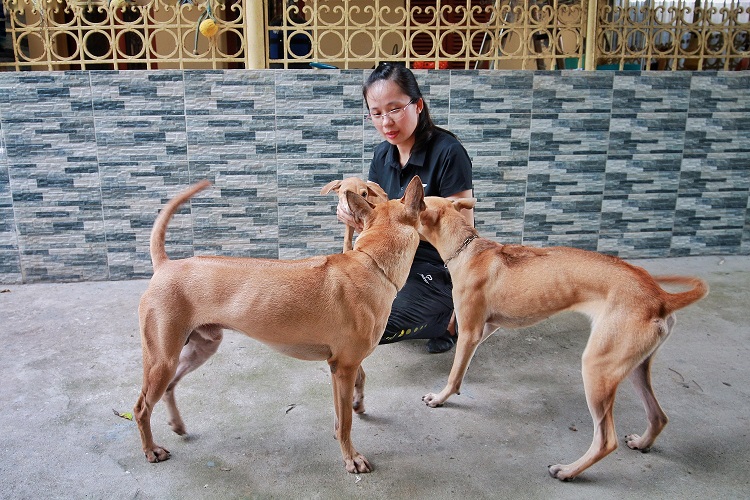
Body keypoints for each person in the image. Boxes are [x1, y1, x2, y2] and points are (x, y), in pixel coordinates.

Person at [337, 62, 474, 353]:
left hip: (434, 267)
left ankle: (449, 320)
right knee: (340, 310)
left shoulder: (448, 152)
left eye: (395, 108)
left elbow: (464, 234)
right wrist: (354, 215)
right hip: (390, 260)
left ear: (418, 105)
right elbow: (377, 221)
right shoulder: (381, 154)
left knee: (375, 326)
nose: (386, 121)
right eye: (376, 113)